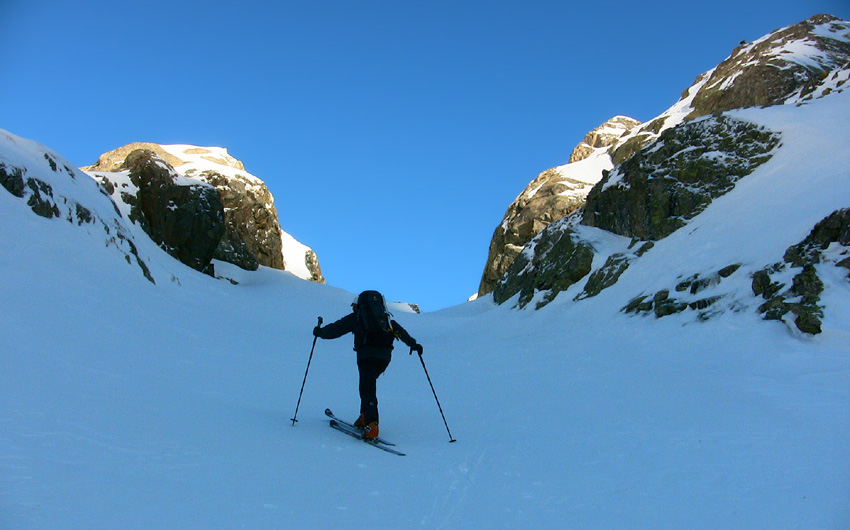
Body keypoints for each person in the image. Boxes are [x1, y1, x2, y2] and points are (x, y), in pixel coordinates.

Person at [313, 290, 423, 440]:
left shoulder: (357, 318)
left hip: (366, 357)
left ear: (359, 305)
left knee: (367, 388)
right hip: (384, 358)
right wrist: (413, 344)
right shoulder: (385, 319)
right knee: (367, 385)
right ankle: (365, 417)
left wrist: (320, 332)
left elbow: (336, 329)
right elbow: (400, 332)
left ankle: (372, 425)